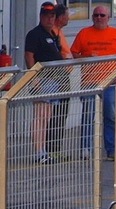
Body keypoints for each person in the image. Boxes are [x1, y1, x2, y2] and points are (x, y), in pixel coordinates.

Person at [70, 6, 116, 161]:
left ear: (108, 18)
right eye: (96, 15)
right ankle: (86, 150)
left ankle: (111, 149)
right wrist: (87, 57)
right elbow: (74, 52)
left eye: (102, 15)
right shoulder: (84, 33)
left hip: (110, 83)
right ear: (92, 17)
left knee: (110, 116)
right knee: (87, 116)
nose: (98, 18)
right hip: (89, 82)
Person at [24, 2, 65, 164]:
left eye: (52, 16)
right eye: (47, 16)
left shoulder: (53, 34)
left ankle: (43, 151)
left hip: (54, 80)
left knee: (47, 117)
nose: (49, 19)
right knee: (40, 116)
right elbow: (29, 56)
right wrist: (34, 79)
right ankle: (39, 152)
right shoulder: (35, 34)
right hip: (42, 80)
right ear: (41, 16)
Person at [47, 3, 72, 159]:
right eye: (67, 15)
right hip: (57, 77)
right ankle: (51, 148)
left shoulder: (58, 32)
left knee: (61, 113)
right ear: (60, 17)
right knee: (55, 114)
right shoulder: (52, 33)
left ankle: (55, 148)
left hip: (64, 76)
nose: (68, 18)